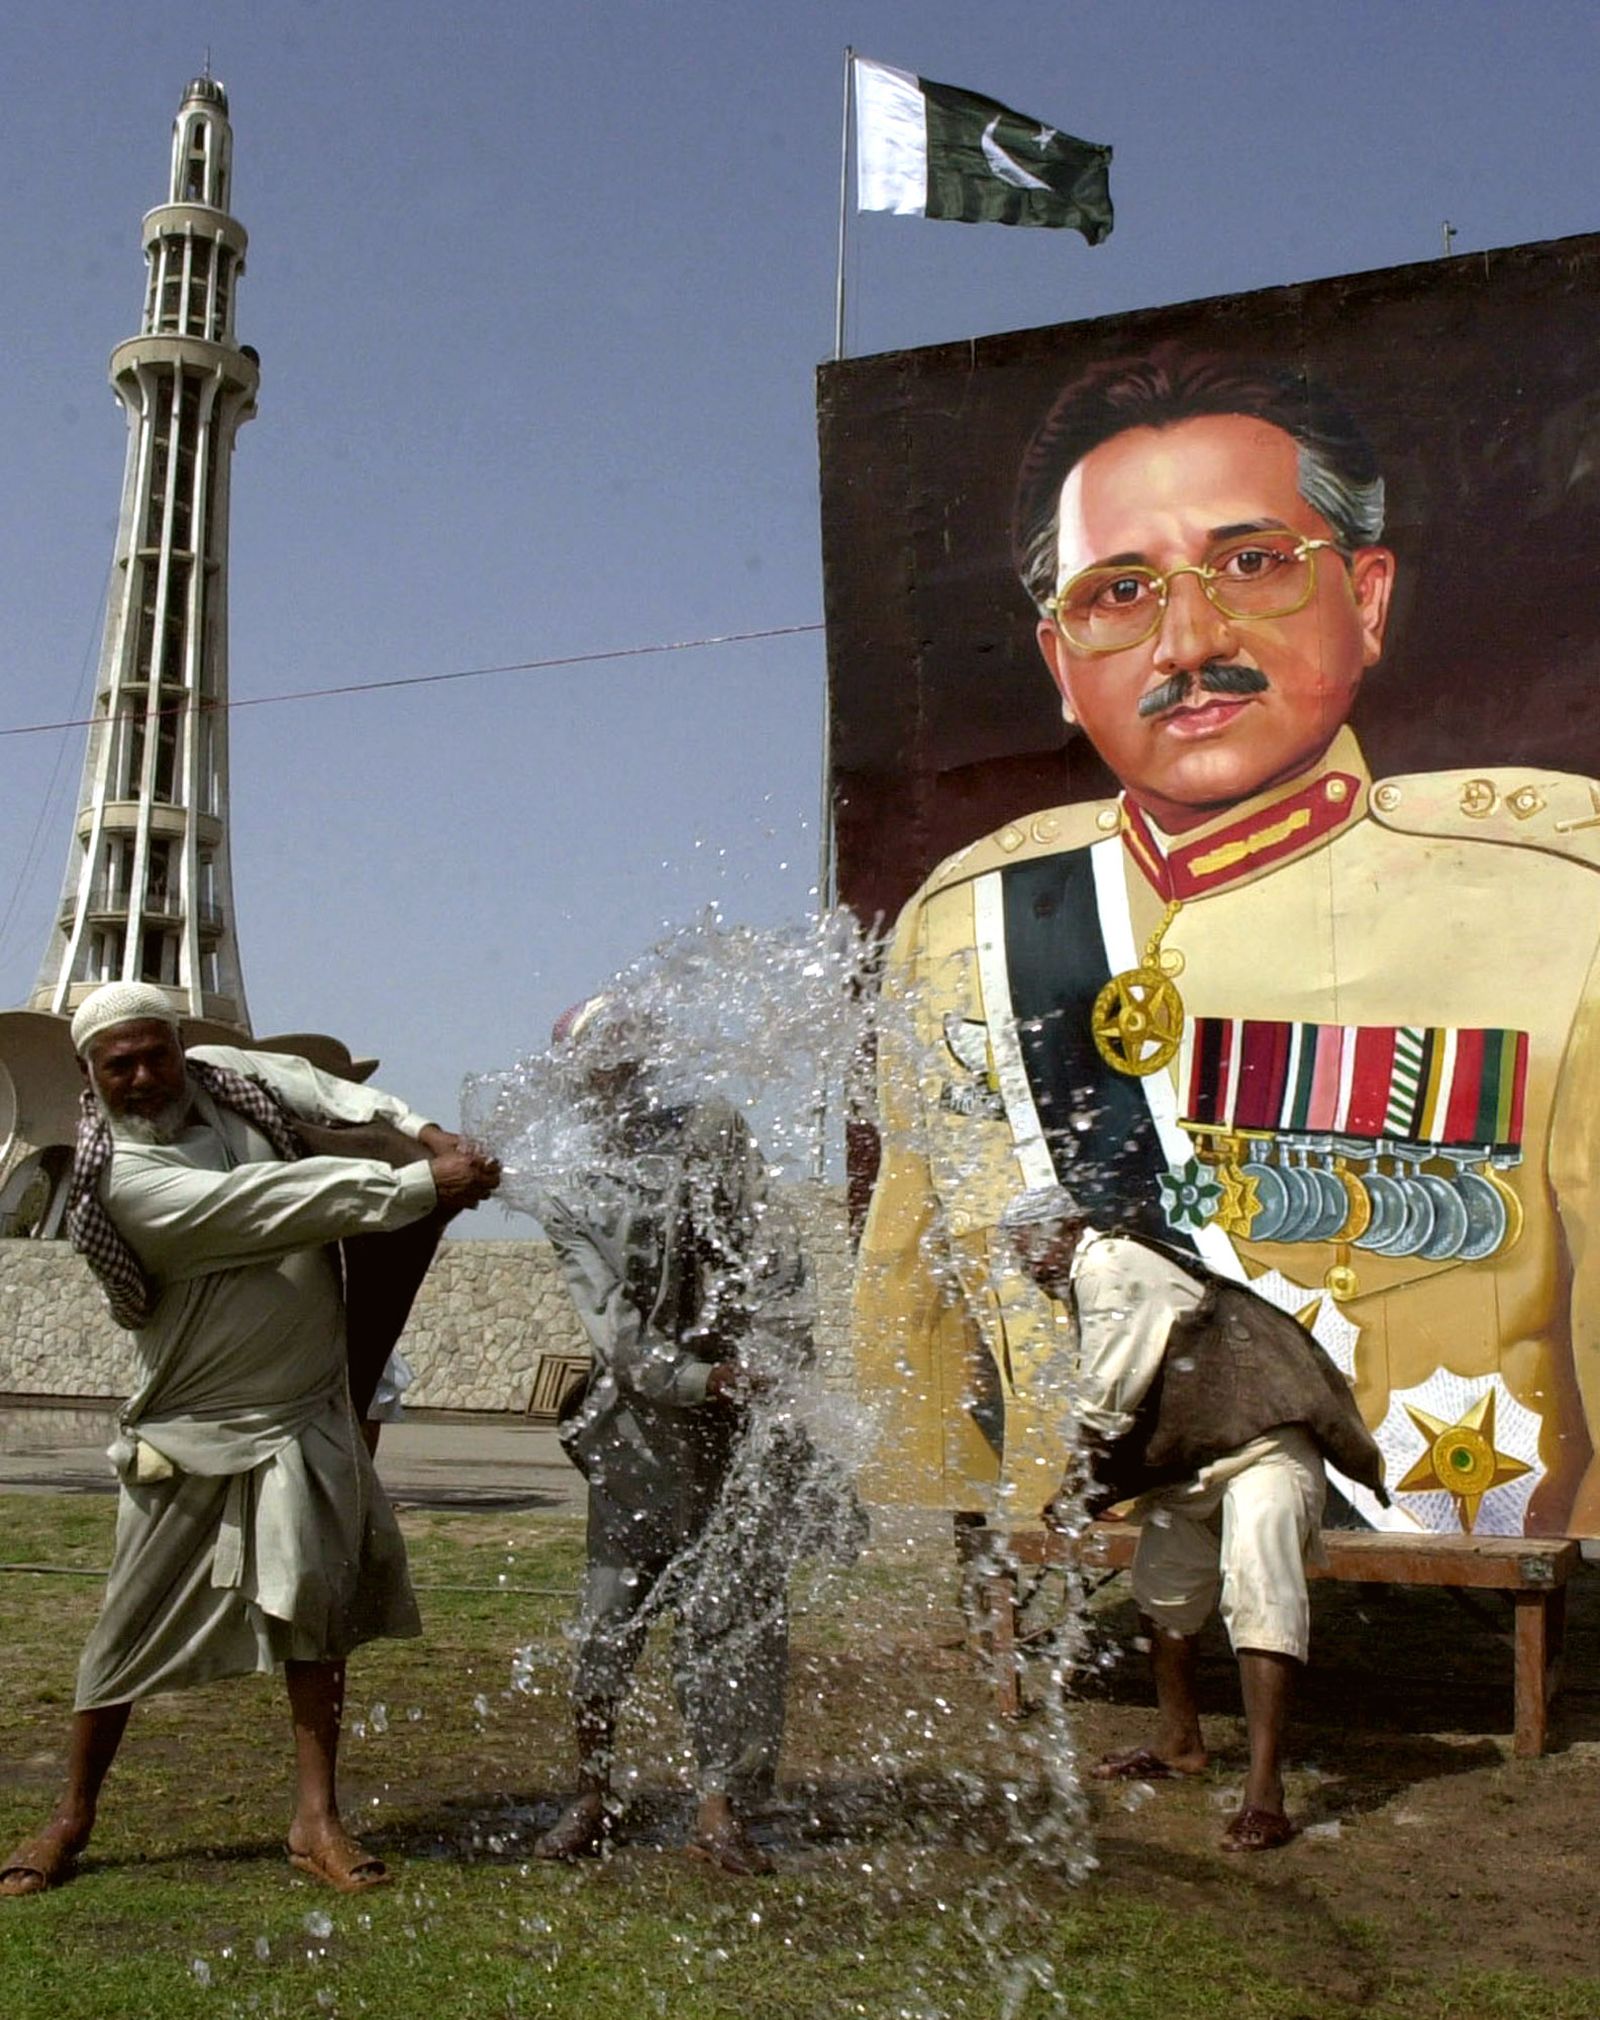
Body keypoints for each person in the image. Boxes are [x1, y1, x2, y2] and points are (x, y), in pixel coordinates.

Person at [854, 342, 1600, 1538]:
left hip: (1438, 1581)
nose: (1187, 641)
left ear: (1364, 598)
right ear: (1060, 663)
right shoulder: (966, 922)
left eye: (1250, 564)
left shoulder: (1560, 899)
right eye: (1118, 592)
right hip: (1088, 1565)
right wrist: (942, 1542)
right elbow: (918, 1288)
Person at [0, 982, 500, 1898]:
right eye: (122, 1065)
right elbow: (279, 1202)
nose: (145, 1076)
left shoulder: (228, 1078)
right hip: (193, 1421)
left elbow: (328, 1095)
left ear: (182, 1045)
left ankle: (317, 1821)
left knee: (314, 1603)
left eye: (158, 1054)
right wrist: (422, 1184)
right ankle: (72, 1814)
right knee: (127, 1623)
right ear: (88, 1074)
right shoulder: (124, 1181)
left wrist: (425, 1133)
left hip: (303, 1404)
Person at [1001, 1185, 1385, 1850]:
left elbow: (1105, 1402)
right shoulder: (1096, 1277)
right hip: (1196, 1464)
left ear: (1067, 1230)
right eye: (1018, 1255)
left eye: (1032, 1248)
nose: (1029, 1266)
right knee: (1164, 1593)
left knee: (1260, 1594)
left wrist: (1072, 1495)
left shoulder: (1107, 1265)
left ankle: (1265, 1796)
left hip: (1265, 1447)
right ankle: (1179, 1744)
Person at [533, 995, 816, 1876]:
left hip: (733, 1432)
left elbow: (770, 1250)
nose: (615, 1069)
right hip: (637, 1438)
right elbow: (613, 1330)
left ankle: (719, 1808)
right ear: (572, 1077)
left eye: (628, 1049)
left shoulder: (711, 1128)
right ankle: (593, 1795)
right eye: (596, 1058)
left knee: (729, 1618)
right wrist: (702, 1379)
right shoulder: (571, 1187)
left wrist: (771, 1359)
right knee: (607, 1622)